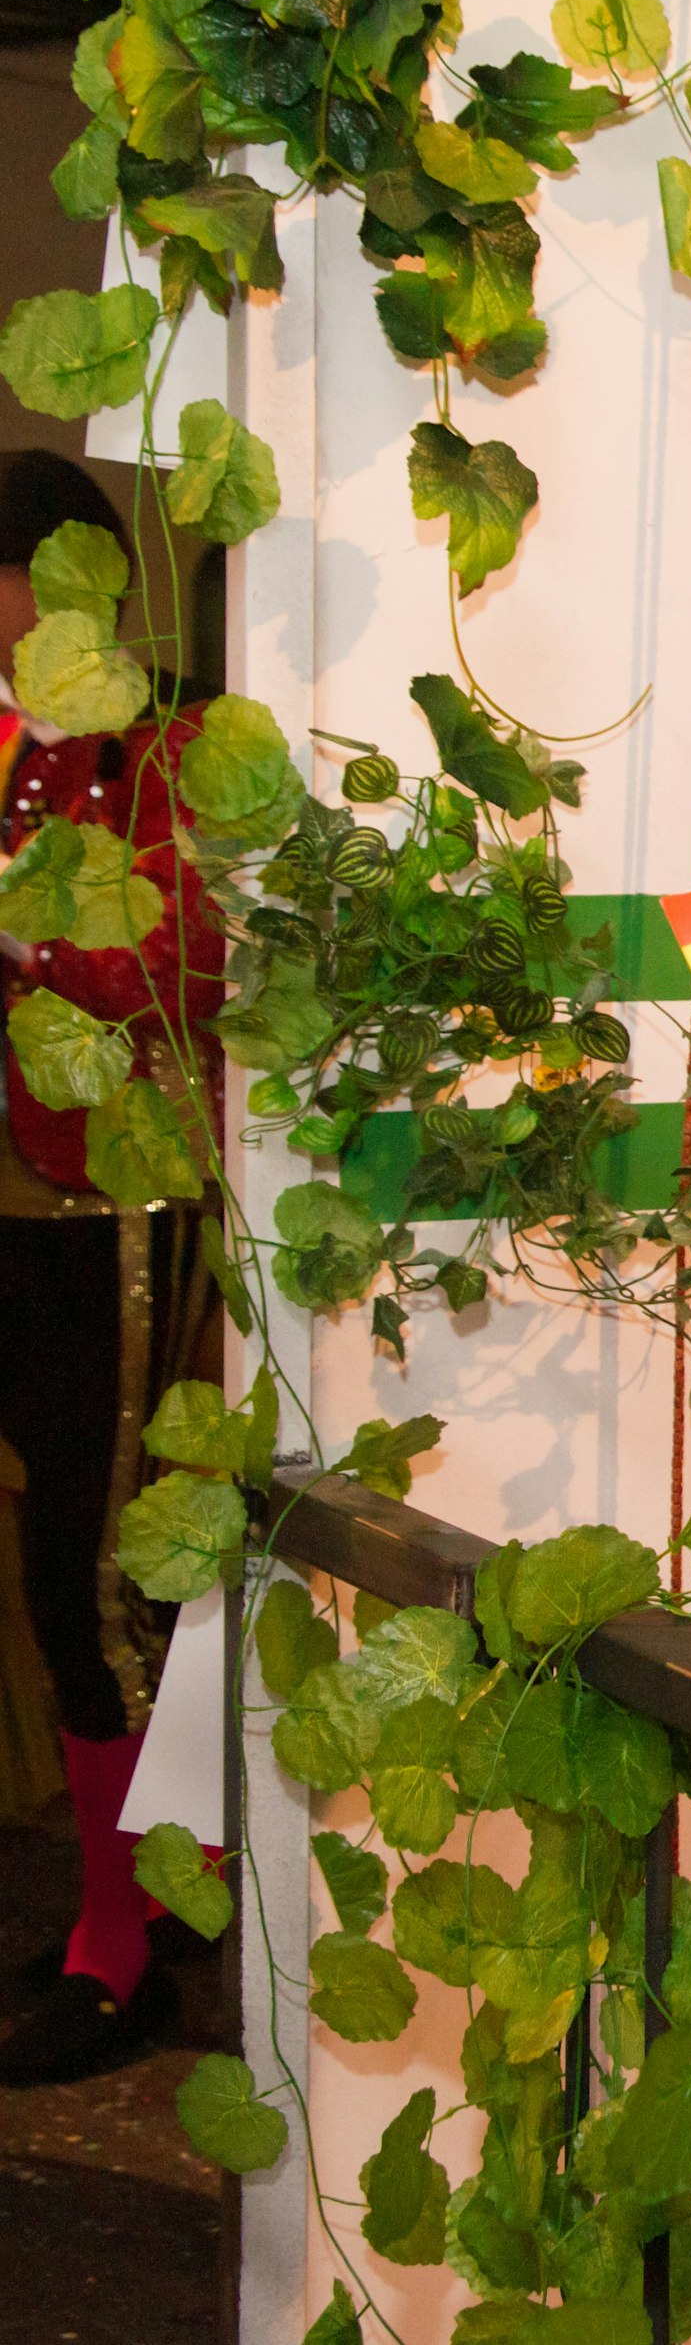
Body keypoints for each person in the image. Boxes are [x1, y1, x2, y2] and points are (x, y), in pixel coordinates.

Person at [0, 451, 213, 2085]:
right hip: (21, 1197)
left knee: (99, 1576)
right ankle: (133, 1894)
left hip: (114, 1205)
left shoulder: (169, 749)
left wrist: (19, 929)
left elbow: (179, 966)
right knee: (64, 1571)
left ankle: (131, 1939)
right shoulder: (22, 752)